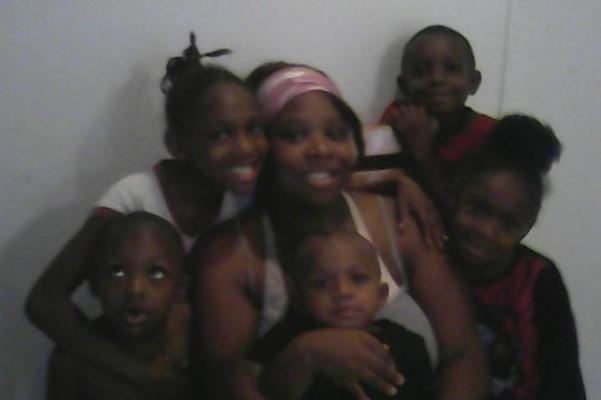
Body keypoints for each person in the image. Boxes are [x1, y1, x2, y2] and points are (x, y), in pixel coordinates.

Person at [190, 62, 487, 400]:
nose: (321, 149)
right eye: (294, 135)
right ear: (263, 145)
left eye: (336, 133)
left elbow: (463, 354)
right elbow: (224, 382)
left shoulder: (400, 221)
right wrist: (304, 356)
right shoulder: (228, 255)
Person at [26, 32, 267, 394]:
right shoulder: (135, 196)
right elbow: (45, 301)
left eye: (254, 128)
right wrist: (138, 374)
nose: (245, 147)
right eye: (221, 135)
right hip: (137, 363)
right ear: (178, 145)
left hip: (199, 360)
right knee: (68, 364)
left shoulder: (242, 201)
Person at [448, 115, 586, 399]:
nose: (487, 231)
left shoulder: (539, 280)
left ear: (528, 226)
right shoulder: (432, 261)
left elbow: (565, 382)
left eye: (508, 224)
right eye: (478, 209)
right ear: (455, 194)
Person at [250, 228, 435, 400]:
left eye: (358, 279)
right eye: (321, 283)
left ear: (381, 295)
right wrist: (306, 353)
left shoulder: (408, 343)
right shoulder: (287, 338)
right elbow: (265, 389)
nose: (342, 291)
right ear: (299, 299)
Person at [47, 212, 190, 399]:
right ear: (94, 283)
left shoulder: (194, 354)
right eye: (117, 272)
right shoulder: (71, 363)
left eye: (156, 273)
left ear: (180, 288)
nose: (134, 289)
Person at [363, 25, 496, 208]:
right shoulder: (399, 118)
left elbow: (459, 210)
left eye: (451, 69)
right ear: (404, 85)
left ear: (473, 82)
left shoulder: (489, 134)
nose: (436, 79)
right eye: (420, 71)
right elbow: (371, 181)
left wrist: (423, 150)